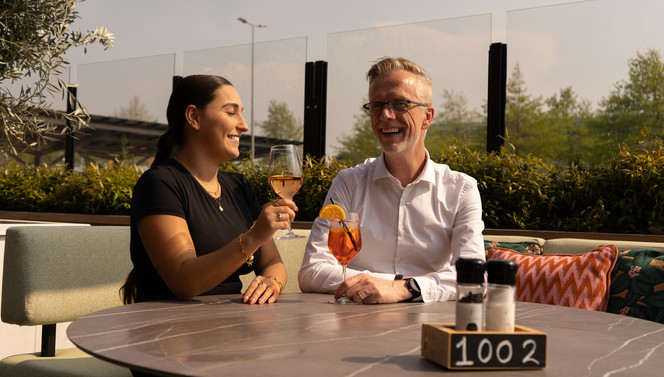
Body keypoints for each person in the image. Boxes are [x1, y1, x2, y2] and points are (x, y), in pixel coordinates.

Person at [298, 57, 485, 303]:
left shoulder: (461, 189)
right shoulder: (347, 184)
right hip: (356, 327)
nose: (385, 115)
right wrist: (394, 282)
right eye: (376, 106)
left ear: (427, 117)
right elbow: (312, 270)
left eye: (400, 104)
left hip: (430, 327)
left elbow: (474, 278)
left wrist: (404, 289)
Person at [120, 74, 296, 306]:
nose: (243, 125)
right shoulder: (159, 184)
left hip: (231, 326)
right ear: (194, 117)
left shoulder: (238, 186)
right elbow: (184, 282)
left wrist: (271, 283)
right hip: (169, 331)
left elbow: (273, 262)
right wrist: (253, 236)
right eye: (231, 112)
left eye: (241, 112)